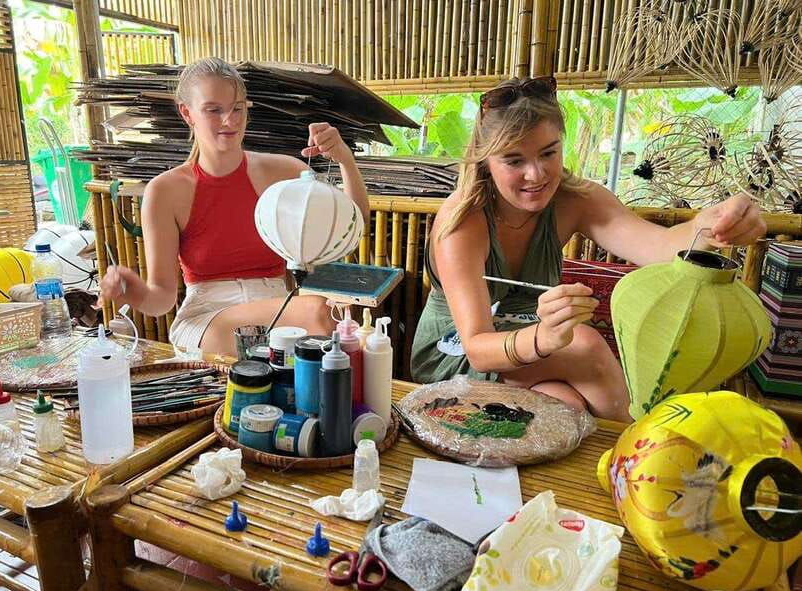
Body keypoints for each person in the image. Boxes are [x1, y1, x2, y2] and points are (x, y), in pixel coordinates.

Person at [411, 76, 765, 422]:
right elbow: (478, 348)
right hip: (455, 354)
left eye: (548, 152)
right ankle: (645, 445)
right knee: (584, 344)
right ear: (486, 159)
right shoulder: (463, 222)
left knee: (565, 405)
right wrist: (545, 337)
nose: (536, 174)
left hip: (534, 349)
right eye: (514, 160)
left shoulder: (575, 199)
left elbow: (662, 246)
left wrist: (711, 225)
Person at [99, 58, 370, 355]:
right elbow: (162, 299)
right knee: (318, 313)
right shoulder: (165, 191)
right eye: (213, 110)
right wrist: (131, 290)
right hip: (208, 319)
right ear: (187, 113)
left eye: (237, 108)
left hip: (281, 307)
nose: (229, 120)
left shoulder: (284, 172)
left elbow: (353, 226)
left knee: (323, 315)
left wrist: (345, 159)